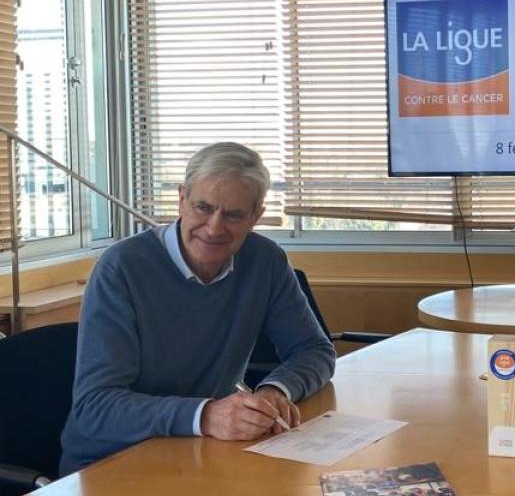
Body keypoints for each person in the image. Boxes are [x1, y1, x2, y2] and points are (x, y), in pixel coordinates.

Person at [60, 142, 335, 474]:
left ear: (256, 216)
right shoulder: (122, 268)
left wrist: (276, 390)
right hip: (112, 463)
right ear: (181, 199)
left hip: (205, 453)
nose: (215, 227)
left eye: (234, 214)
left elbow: (314, 349)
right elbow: (95, 407)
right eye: (203, 207)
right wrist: (205, 416)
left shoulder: (265, 261)